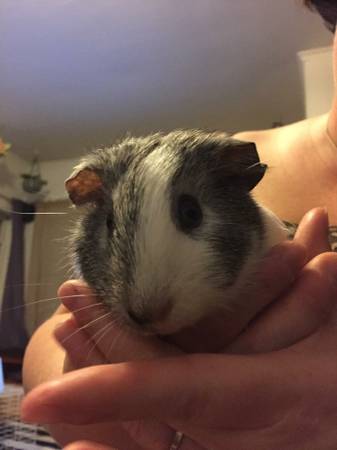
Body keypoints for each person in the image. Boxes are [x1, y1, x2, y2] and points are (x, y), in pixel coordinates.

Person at [22, 1, 337, 449]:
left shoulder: (249, 199)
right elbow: (52, 341)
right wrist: (103, 384)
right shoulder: (247, 146)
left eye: (191, 216)